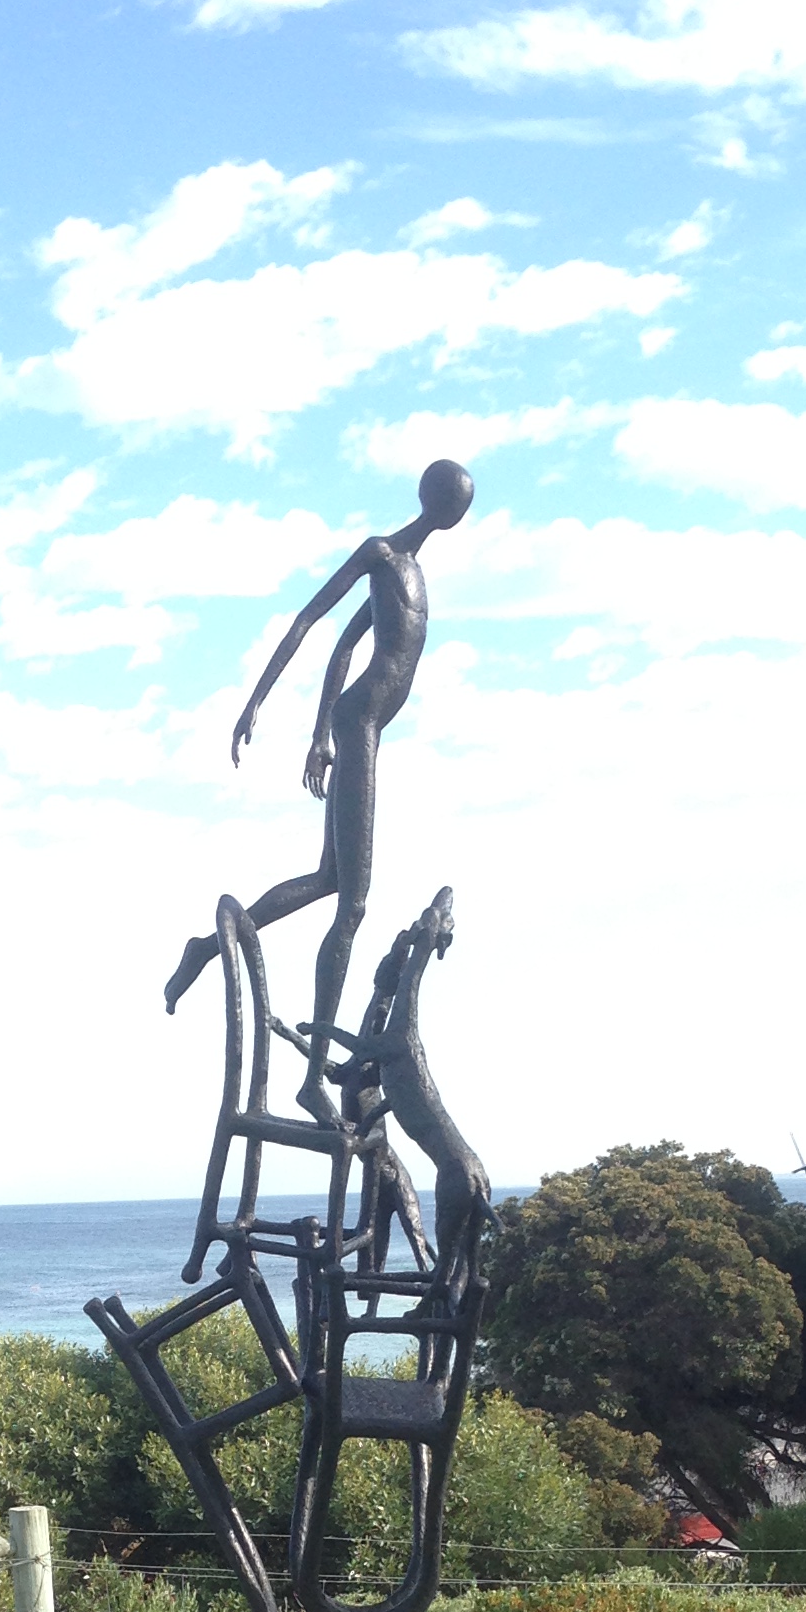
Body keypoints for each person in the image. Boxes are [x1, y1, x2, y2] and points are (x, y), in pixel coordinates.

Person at [163, 458, 474, 1126]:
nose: (460, 511)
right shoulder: (381, 554)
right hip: (360, 721)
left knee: (332, 880)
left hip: (362, 727)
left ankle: (205, 949)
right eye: (458, 500)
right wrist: (257, 707)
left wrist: (316, 733)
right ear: (438, 499)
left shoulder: (415, 573)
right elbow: (308, 623)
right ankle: (310, 1083)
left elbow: (344, 647)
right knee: (354, 903)